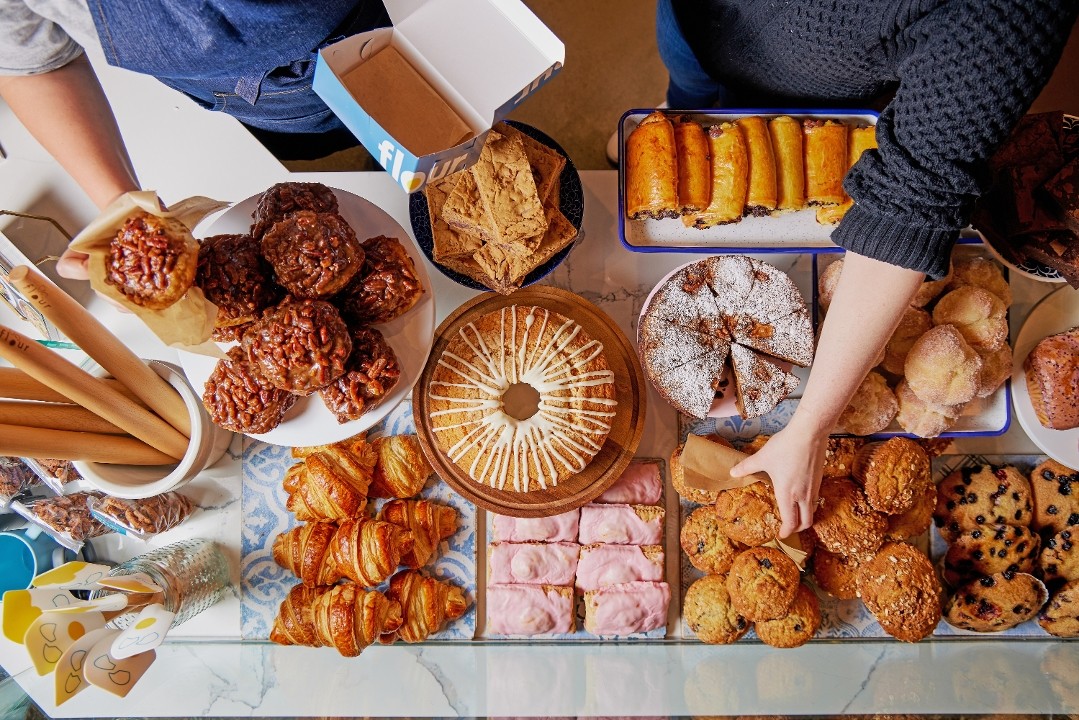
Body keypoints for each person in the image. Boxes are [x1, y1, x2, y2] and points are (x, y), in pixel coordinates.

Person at [644, 0, 1078, 537]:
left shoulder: (1000, 19)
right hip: (694, 20)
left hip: (825, 84)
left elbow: (910, 200)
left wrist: (811, 425)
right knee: (684, 92)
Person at [0, 0, 389, 278]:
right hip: (249, 100)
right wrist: (122, 206)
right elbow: (30, 57)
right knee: (323, 146)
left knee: (402, 141)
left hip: (379, 28)